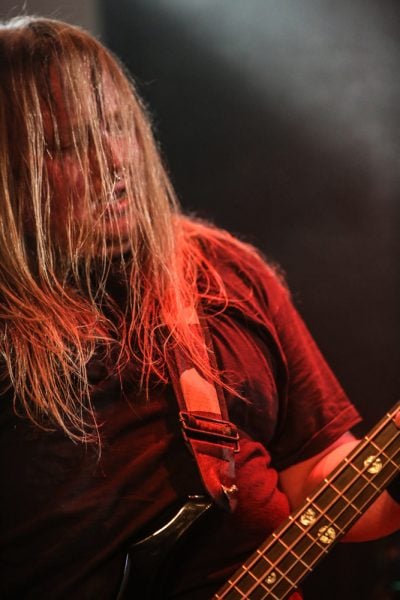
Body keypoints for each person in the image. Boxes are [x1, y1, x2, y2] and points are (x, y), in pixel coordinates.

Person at [0, 16, 398, 600]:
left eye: (118, 126)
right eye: (68, 145)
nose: (115, 162)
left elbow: (314, 474)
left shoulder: (226, 273)